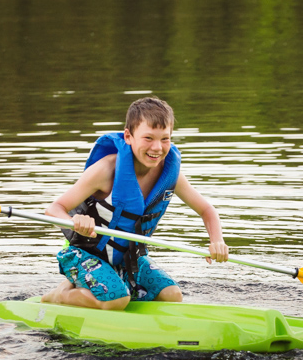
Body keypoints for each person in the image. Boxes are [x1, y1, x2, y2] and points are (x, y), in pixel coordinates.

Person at [42, 96, 228, 311]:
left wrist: (217, 241)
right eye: (148, 138)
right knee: (116, 300)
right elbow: (53, 209)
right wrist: (74, 220)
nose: (157, 148)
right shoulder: (106, 170)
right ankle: (60, 294)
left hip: (128, 259)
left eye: (165, 139)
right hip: (84, 254)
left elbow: (206, 210)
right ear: (128, 136)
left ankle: (110, 285)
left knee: (171, 295)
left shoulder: (170, 175)